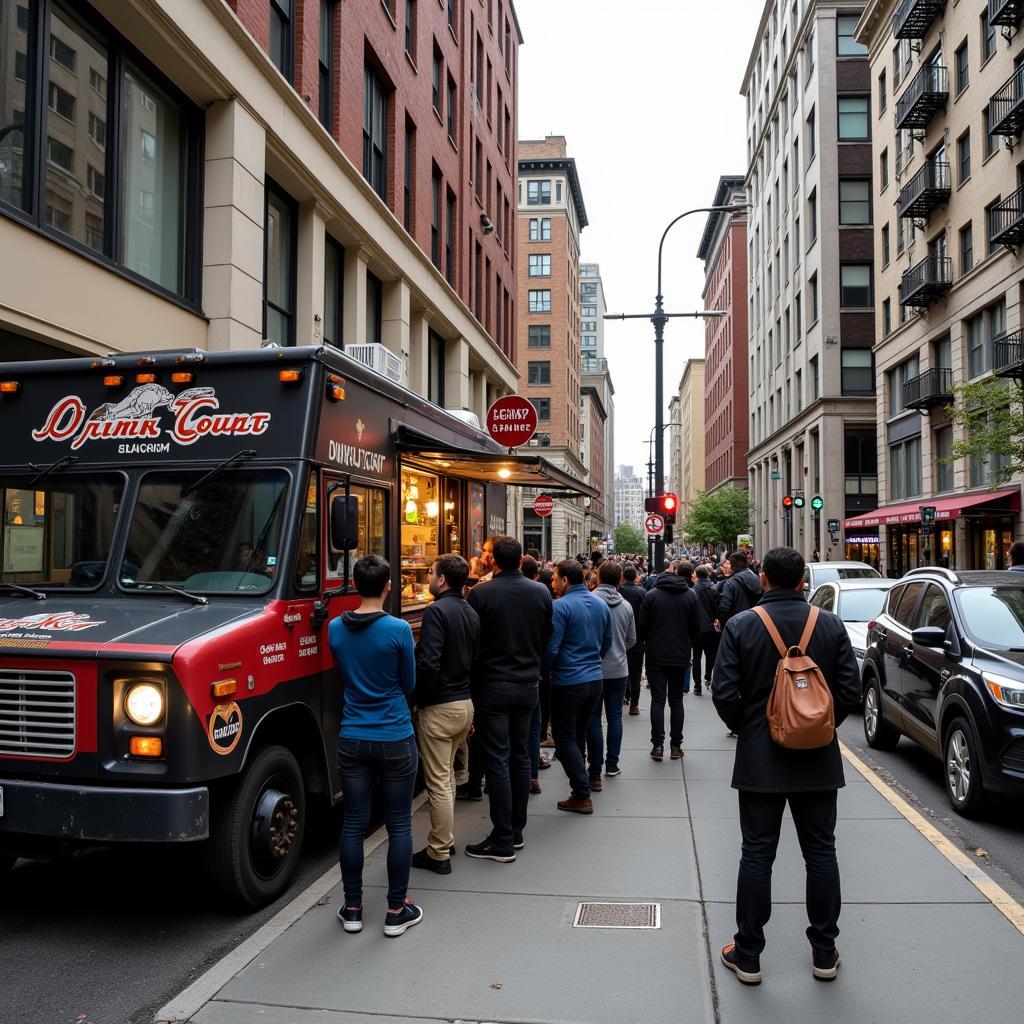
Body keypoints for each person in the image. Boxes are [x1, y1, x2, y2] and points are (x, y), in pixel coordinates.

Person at [712, 546, 860, 986]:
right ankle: (824, 951)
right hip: (819, 759)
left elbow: (724, 693)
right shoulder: (830, 625)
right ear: (802, 582)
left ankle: (749, 954)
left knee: (757, 853)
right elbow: (849, 692)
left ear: (763, 580)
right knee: (821, 852)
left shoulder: (741, 625)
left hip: (761, 759)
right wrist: (819, 727)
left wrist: (752, 727)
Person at [329, 554, 421, 938]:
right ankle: (396, 910)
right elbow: (409, 683)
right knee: (399, 824)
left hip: (353, 735)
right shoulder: (398, 630)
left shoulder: (335, 628)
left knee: (353, 824)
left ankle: (352, 908)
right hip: (395, 735)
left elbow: (344, 672)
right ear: (388, 586)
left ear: (354, 584)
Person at [464, 536, 553, 861]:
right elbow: (547, 633)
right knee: (519, 757)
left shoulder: (480, 594)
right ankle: (515, 831)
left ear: (493, 561)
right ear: (520, 560)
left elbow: (472, 645)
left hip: (493, 686)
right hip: (527, 684)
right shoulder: (541, 591)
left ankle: (502, 838)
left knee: (497, 759)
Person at [412, 554, 479, 876]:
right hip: (464, 703)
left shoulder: (437, 611)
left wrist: (419, 700)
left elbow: (429, 663)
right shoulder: (469, 610)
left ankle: (438, 851)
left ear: (442, 580)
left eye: (431, 573)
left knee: (437, 781)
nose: (428, 578)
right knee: (448, 777)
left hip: (440, 706)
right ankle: (444, 838)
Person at [543, 559, 612, 814]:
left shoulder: (560, 607)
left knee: (563, 737)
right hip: (594, 679)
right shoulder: (600, 604)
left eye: (554, 578)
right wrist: (592, 660)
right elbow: (607, 641)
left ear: (564, 580)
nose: (552, 583)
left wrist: (544, 669)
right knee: (580, 731)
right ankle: (582, 780)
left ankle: (581, 792)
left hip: (568, 681)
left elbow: (552, 646)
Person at [638, 560, 708, 761]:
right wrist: (687, 643)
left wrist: (648, 643)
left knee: (657, 700)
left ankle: (657, 745)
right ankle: (676, 745)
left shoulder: (651, 595)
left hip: (656, 655)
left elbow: (642, 626)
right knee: (676, 700)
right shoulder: (690, 595)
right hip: (680, 654)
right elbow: (697, 626)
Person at [588, 561, 636, 783]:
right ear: (619, 580)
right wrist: (618, 650)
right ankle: (612, 763)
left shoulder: (590, 601)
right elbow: (631, 639)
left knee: (594, 719)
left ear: (597, 577)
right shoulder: (625, 605)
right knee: (615, 716)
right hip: (618, 669)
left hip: (593, 669)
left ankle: (595, 769)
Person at [620, 564, 646, 715]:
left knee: (623, 668)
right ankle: (634, 704)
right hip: (638, 637)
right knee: (636, 671)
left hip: (621, 636)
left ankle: (625, 695)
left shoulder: (619, 592)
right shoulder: (642, 592)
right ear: (636, 576)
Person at [691, 565, 721, 696]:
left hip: (697, 628)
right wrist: (716, 618)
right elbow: (718, 607)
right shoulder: (714, 588)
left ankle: (697, 685)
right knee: (711, 655)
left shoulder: (693, 590)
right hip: (710, 627)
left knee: (696, 657)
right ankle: (708, 676)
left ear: (697, 575)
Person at [717, 550, 764, 630]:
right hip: (758, 625)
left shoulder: (730, 583)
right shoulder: (758, 579)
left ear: (732, 565)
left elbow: (724, 608)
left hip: (738, 627)